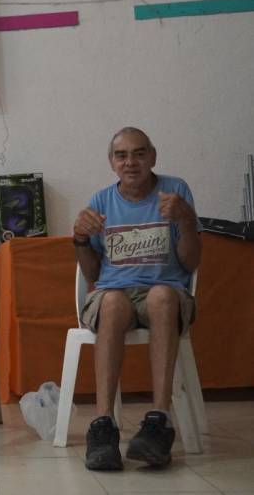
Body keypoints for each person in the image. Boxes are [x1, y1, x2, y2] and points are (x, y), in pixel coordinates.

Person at [74, 127, 201, 471]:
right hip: (116, 295)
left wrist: (187, 219)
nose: (131, 162)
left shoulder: (175, 191)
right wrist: (80, 239)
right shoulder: (101, 201)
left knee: (161, 296)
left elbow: (191, 263)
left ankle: (158, 422)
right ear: (112, 162)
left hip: (168, 295)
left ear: (153, 157)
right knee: (112, 301)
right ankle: (103, 427)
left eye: (139, 153)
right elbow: (92, 275)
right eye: (122, 155)